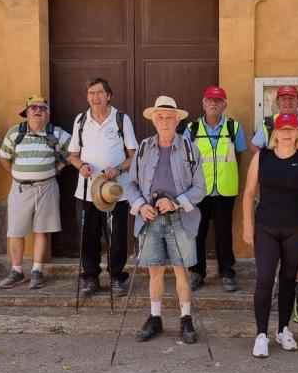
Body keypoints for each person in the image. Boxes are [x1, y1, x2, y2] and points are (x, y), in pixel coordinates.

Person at [123, 96, 206, 344]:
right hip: (150, 220)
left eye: (169, 117)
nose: (165, 121)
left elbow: (200, 189)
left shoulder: (190, 149)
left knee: (182, 271)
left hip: (181, 218)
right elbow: (130, 184)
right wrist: (140, 206)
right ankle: (155, 317)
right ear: (154, 120)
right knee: (154, 271)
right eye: (160, 117)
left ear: (178, 119)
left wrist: (176, 202)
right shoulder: (144, 148)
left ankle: (186, 319)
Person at [241, 112, 298, 358]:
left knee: (287, 279)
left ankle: (284, 330)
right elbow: (249, 193)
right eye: (282, 129)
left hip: (295, 229)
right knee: (265, 280)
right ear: (274, 133)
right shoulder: (262, 157)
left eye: (291, 129)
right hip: (266, 227)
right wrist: (247, 224)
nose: (286, 134)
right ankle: (261, 334)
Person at [66, 77, 139, 298]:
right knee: (87, 237)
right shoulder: (80, 120)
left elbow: (133, 155)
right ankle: (90, 278)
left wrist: (118, 169)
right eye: (90, 93)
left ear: (109, 95)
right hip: (86, 191)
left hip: (114, 192)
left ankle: (117, 278)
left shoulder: (121, 119)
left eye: (99, 93)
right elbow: (73, 155)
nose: (95, 97)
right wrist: (81, 166)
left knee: (116, 238)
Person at [0, 94, 71, 289]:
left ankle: (37, 270)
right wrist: (14, 174)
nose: (38, 111)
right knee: (15, 231)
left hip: (47, 187)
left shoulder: (56, 132)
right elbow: (3, 157)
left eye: (42, 108)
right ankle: (17, 271)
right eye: (33, 108)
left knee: (42, 229)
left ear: (48, 113)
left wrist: (58, 167)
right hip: (21, 187)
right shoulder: (15, 132)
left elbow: (74, 152)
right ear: (27, 112)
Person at [183, 85, 247, 292]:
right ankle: (197, 272)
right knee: (198, 233)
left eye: (218, 101)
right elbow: (183, 159)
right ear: (203, 103)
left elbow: (239, 154)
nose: (213, 104)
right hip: (199, 190)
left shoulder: (233, 127)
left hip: (225, 189)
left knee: (223, 233)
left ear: (224, 105)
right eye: (210, 100)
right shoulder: (192, 129)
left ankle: (227, 272)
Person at [249, 85, 298, 153]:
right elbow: (254, 146)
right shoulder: (268, 123)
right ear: (277, 103)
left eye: (291, 98)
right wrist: (266, 162)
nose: (287, 102)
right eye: (283, 99)